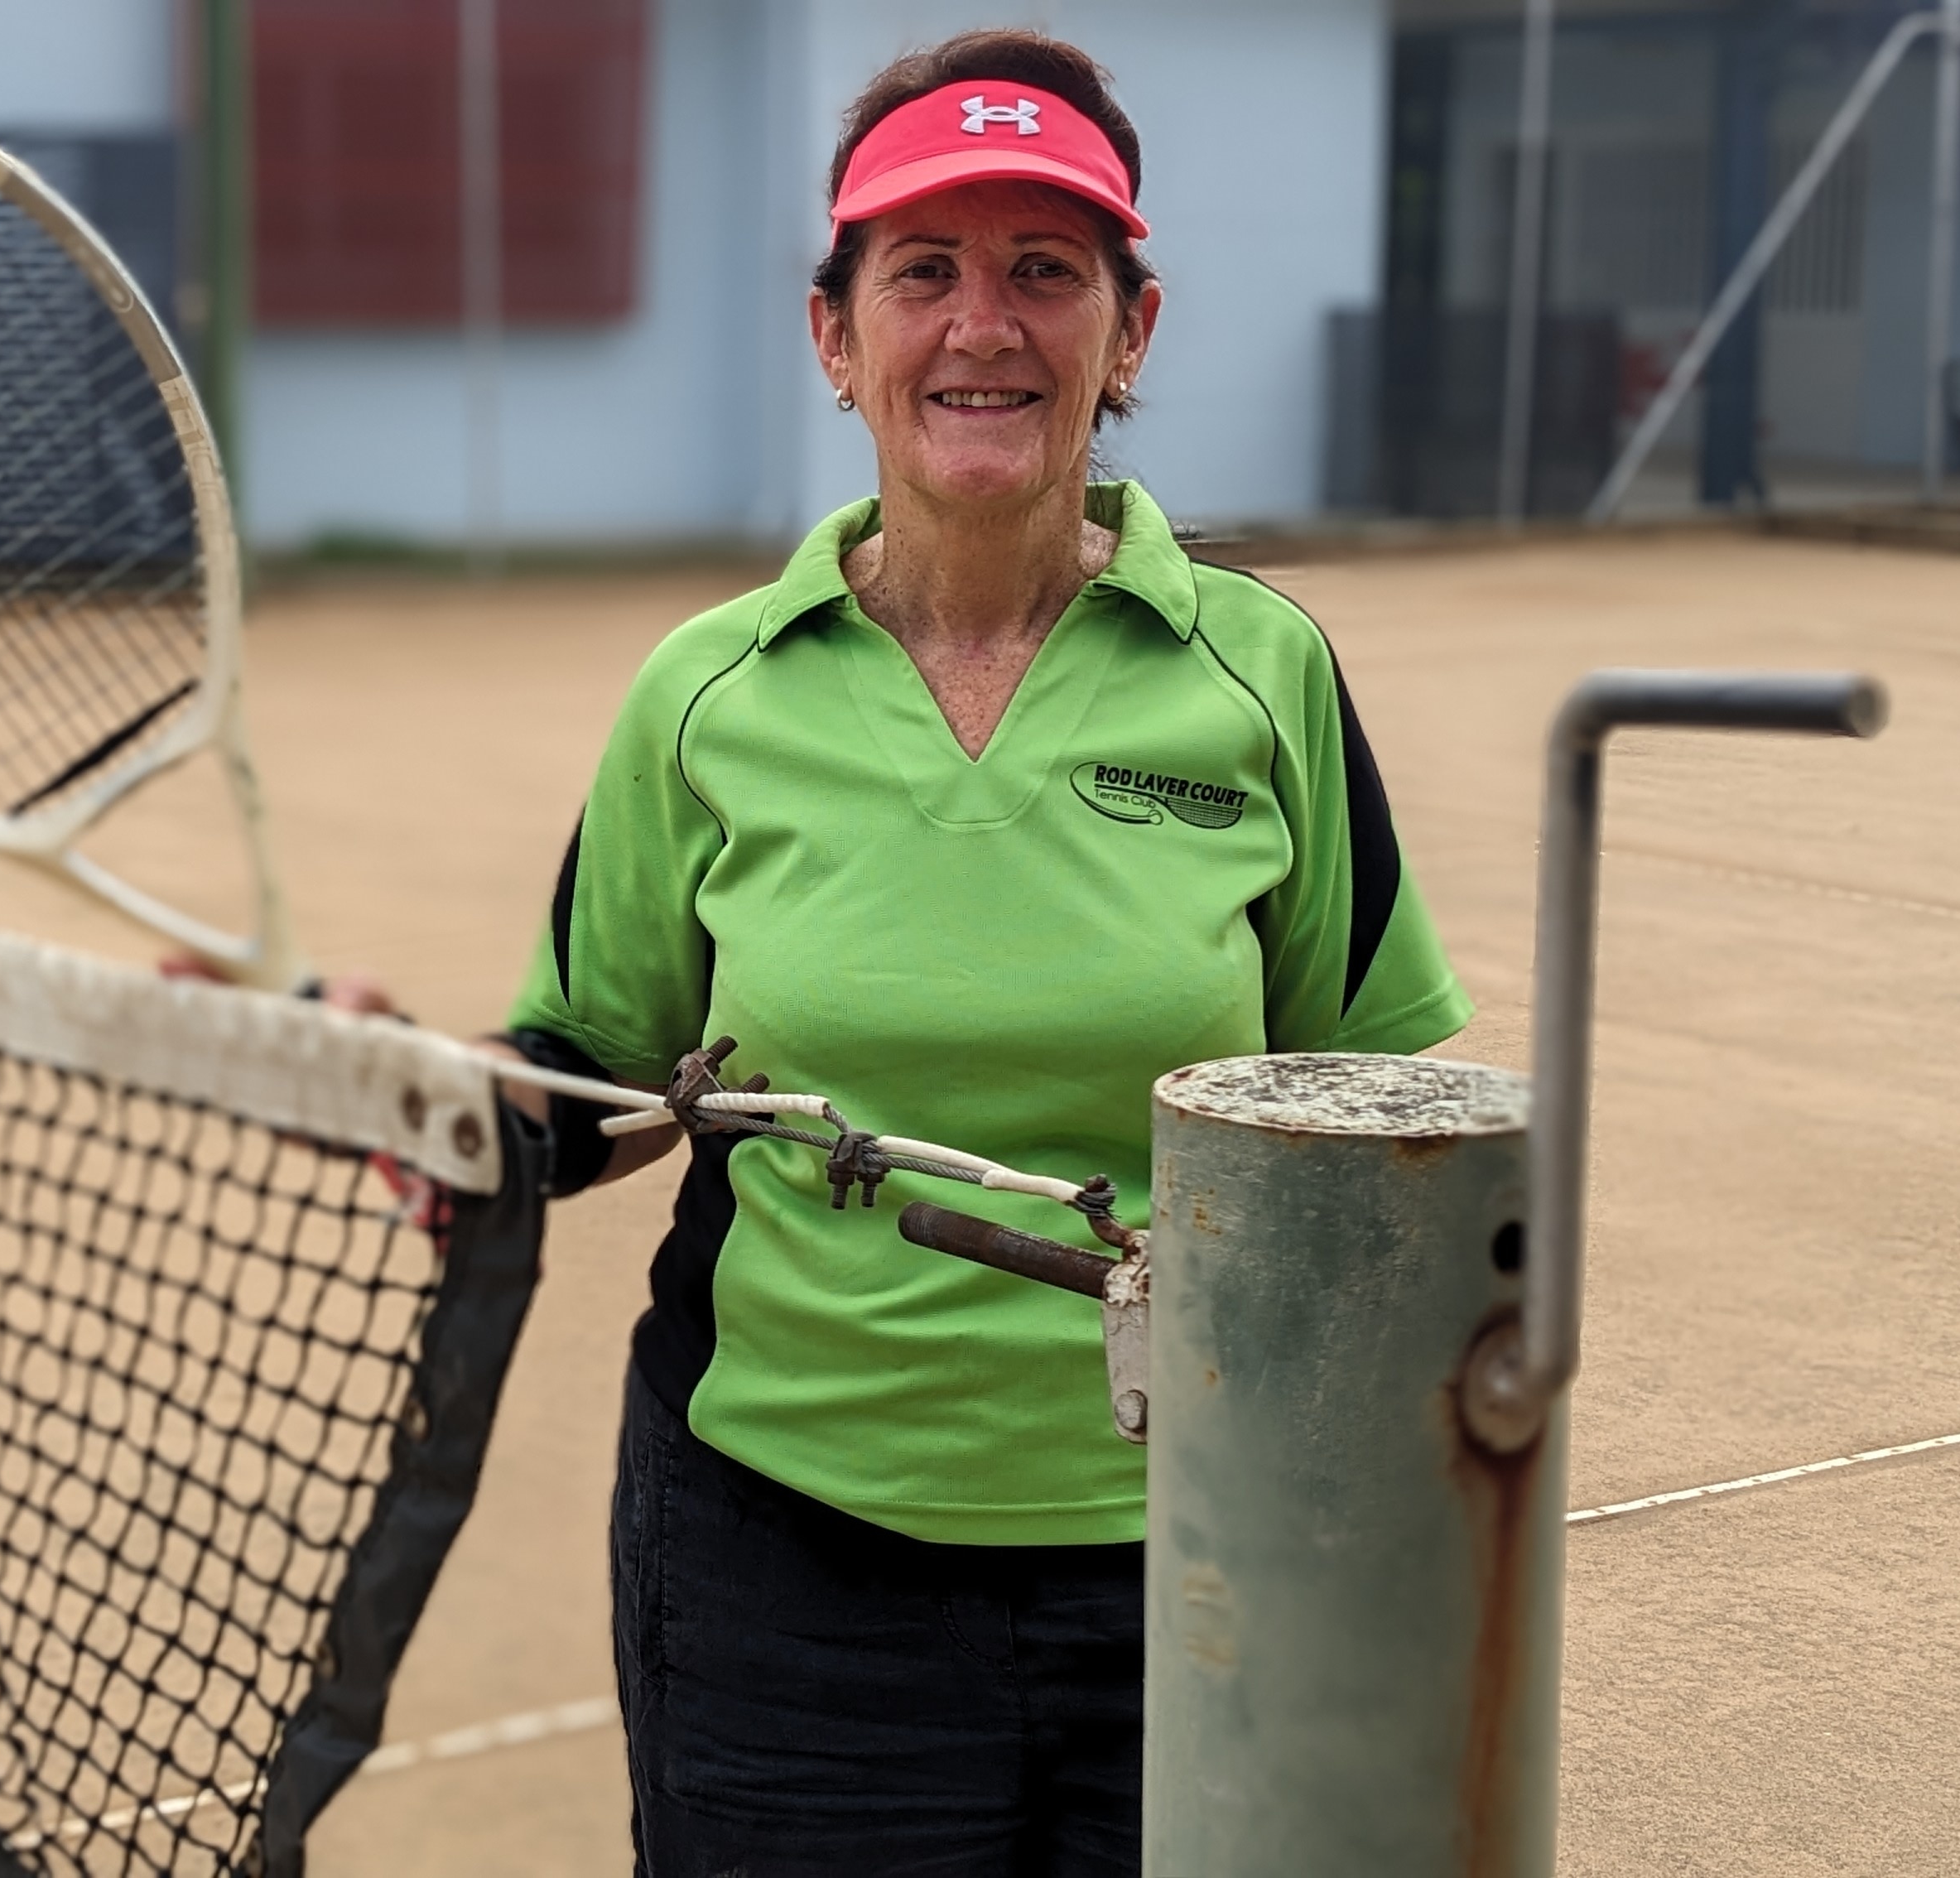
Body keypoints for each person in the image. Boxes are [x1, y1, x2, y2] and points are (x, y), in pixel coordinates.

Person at [486, 29, 1472, 1875]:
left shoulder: (1261, 673)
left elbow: (1380, 1103)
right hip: (787, 1569)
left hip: (1198, 1561)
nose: (984, 327)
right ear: (836, 337)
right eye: (923, 271)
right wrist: (446, 1115)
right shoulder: (705, 695)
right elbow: (598, 1064)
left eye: (1047, 271)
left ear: (1133, 331)